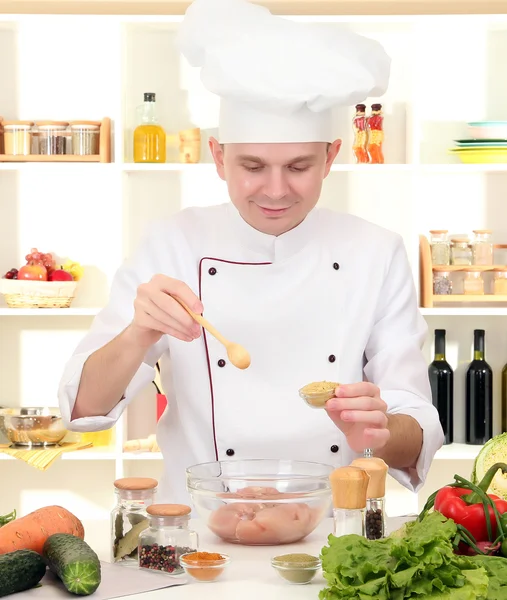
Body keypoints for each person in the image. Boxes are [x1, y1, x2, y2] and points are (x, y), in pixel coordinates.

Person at [58, 0, 444, 505]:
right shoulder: (172, 243)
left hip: (333, 532)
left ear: (331, 156)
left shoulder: (376, 252)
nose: (276, 190)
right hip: (198, 533)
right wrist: (138, 333)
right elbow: (85, 409)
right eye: (254, 166)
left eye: (299, 166)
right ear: (218, 156)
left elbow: (414, 428)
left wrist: (380, 430)